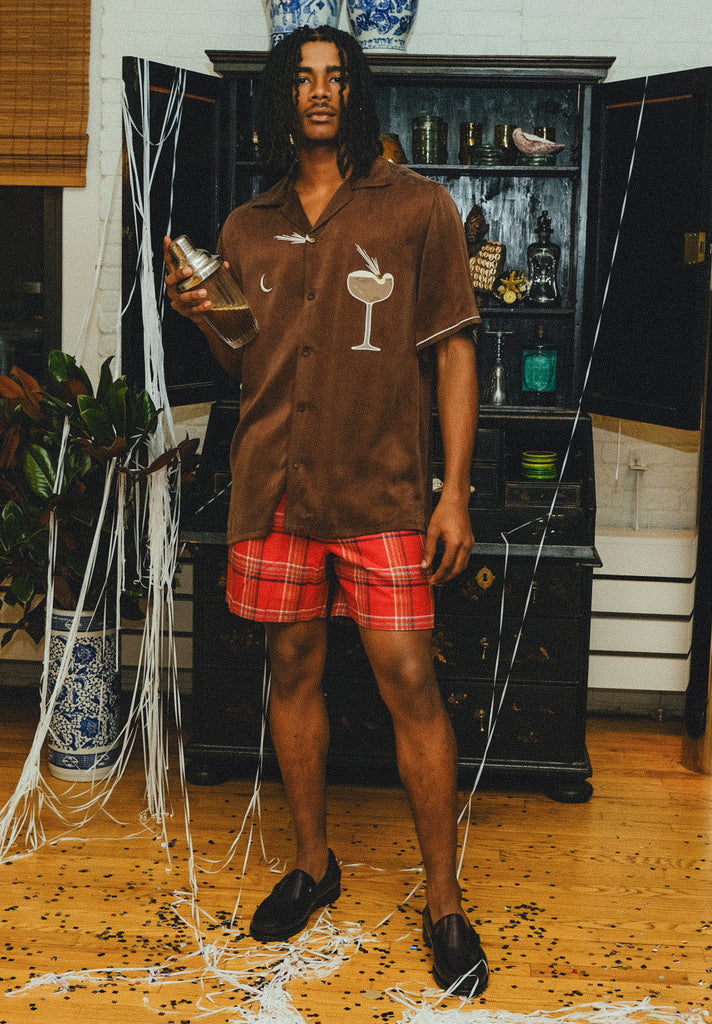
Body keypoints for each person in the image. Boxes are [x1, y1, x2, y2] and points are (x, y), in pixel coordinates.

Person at [164, 25, 488, 997]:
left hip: (385, 488)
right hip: (274, 487)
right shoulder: (246, 226)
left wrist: (456, 493)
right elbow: (245, 362)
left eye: (335, 77)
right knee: (291, 666)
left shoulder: (418, 209)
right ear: (282, 96)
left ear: (358, 91)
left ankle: (443, 899)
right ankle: (313, 863)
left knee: (409, 683)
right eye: (302, 78)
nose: (319, 92)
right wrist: (204, 316)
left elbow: (457, 351)